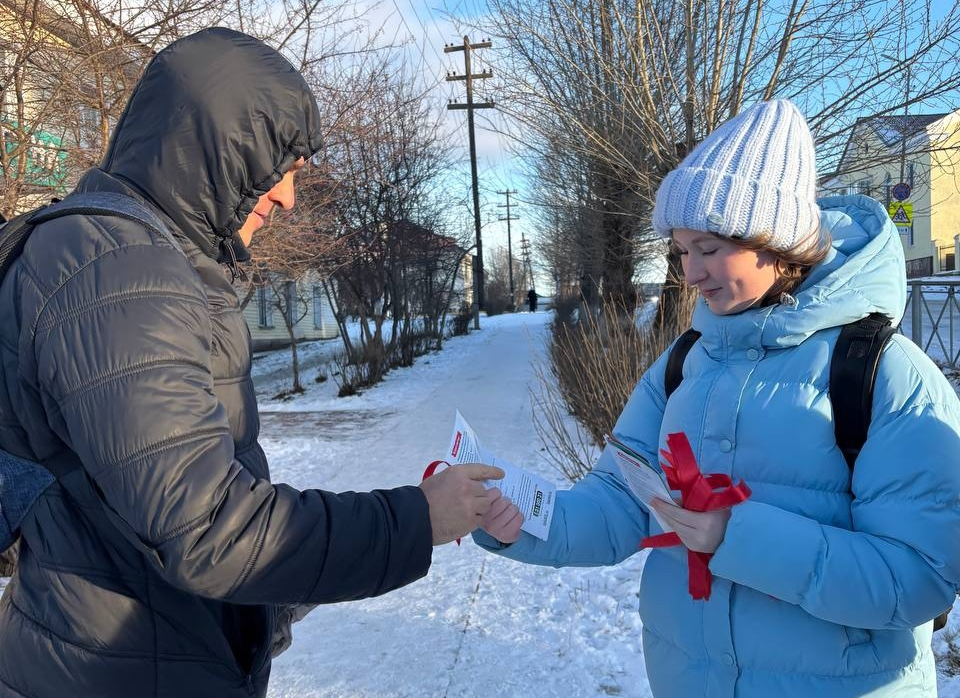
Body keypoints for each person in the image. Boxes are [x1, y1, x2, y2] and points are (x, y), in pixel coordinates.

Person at [0, 28, 504, 698]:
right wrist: (414, 520)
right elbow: (206, 530)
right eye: (281, 168)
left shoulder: (126, 257)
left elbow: (140, 516)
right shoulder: (119, 270)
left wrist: (266, 609)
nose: (287, 198)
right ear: (218, 147)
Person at [475, 99, 960, 697]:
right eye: (681, 251)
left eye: (708, 249)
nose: (691, 273)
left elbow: (917, 578)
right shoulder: (683, 363)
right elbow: (617, 504)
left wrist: (738, 538)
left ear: (774, 243)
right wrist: (520, 520)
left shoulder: (883, 373)